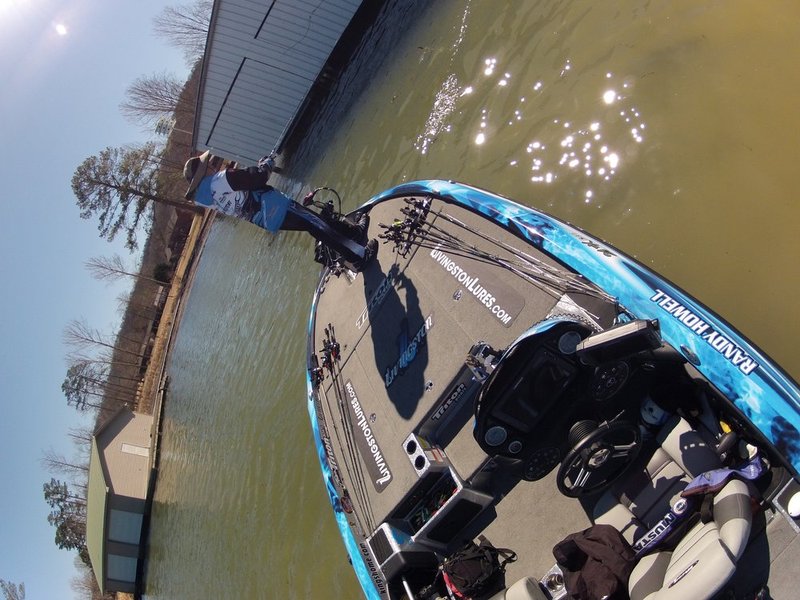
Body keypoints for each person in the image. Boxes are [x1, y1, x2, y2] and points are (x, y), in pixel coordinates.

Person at [183, 151, 377, 270]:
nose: (210, 164)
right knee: (319, 226)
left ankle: (355, 234)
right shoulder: (220, 179)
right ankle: (359, 257)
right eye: (205, 165)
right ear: (202, 172)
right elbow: (258, 177)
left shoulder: (206, 200)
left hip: (267, 219)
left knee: (316, 223)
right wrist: (266, 164)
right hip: (278, 206)